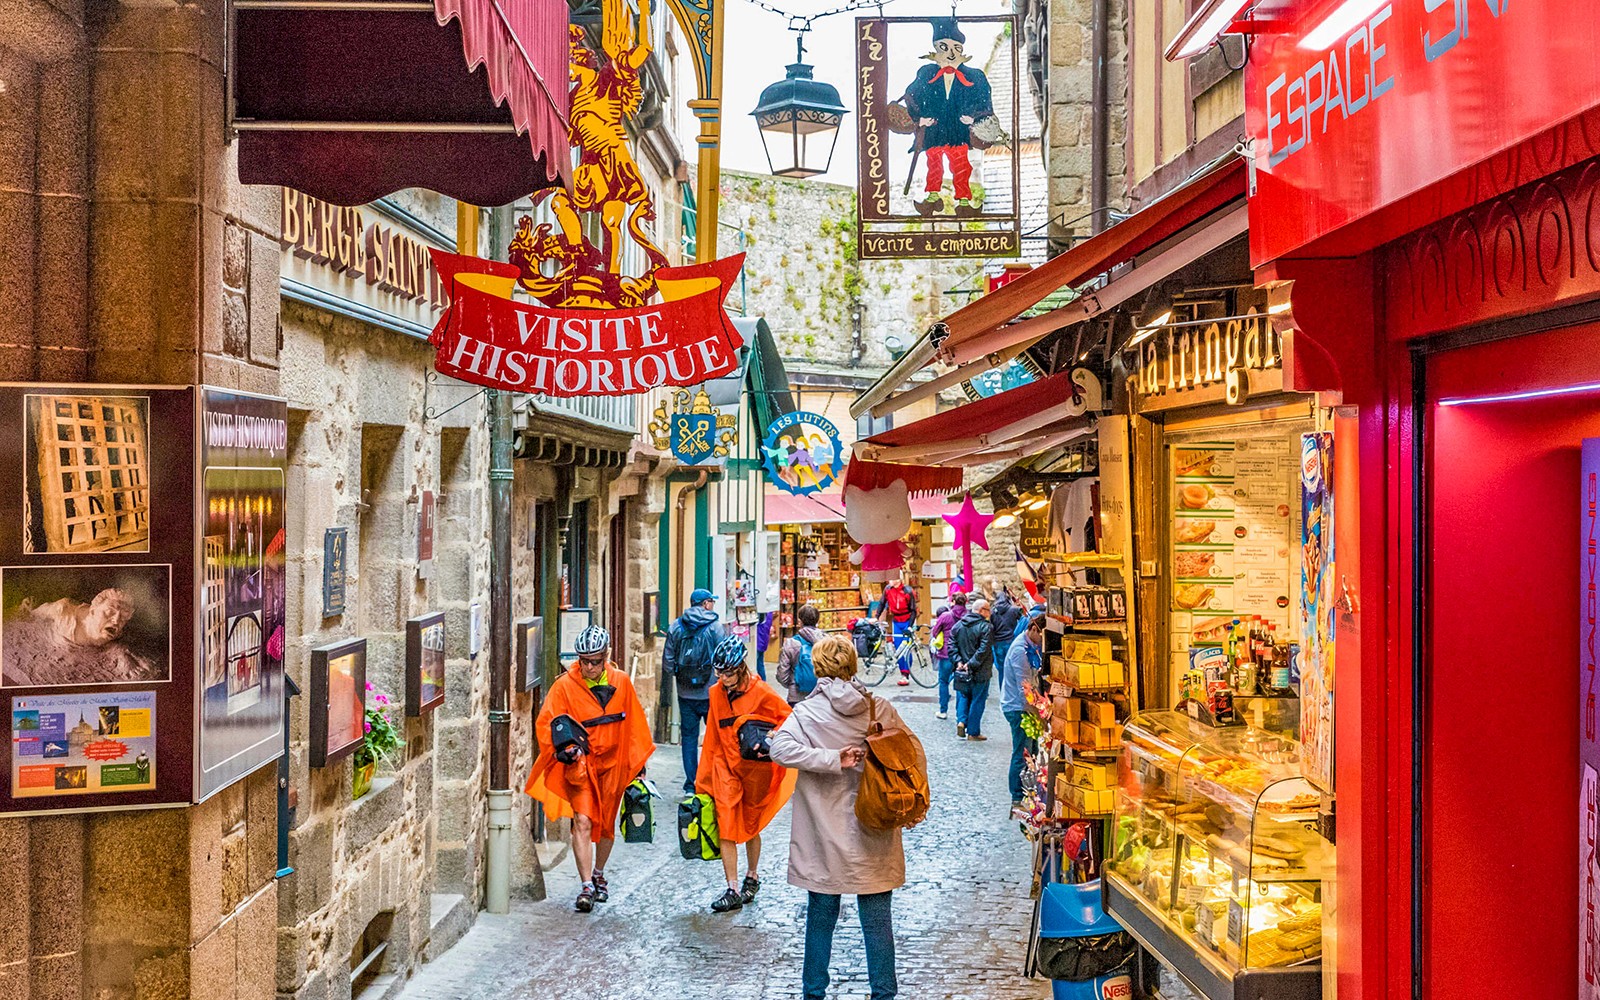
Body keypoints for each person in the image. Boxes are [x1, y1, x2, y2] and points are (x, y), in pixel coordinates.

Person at [769, 636, 921, 1000]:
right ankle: (883, 994)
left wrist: (829, 758)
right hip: (875, 829)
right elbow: (913, 753)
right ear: (854, 665)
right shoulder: (878, 710)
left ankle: (814, 993)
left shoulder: (806, 714)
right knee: (877, 922)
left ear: (818, 669)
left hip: (823, 838)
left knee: (820, 920)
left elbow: (779, 748)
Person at [524, 625, 654, 913]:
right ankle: (585, 886)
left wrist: (639, 766)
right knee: (582, 820)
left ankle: (599, 873)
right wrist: (562, 748)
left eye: (595, 661)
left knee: (606, 825)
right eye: (584, 661)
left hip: (614, 765)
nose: (590, 667)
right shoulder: (564, 686)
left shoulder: (621, 682)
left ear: (605, 657)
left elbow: (634, 726)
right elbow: (547, 723)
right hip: (581, 766)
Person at [699, 635, 797, 913]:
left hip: (755, 769)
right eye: (719, 672)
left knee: (751, 825)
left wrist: (772, 736)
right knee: (727, 823)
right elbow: (713, 736)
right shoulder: (716, 693)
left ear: (740, 668)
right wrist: (704, 778)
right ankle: (731, 888)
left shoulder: (762, 692)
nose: (723, 678)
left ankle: (751, 876)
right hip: (725, 766)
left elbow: (788, 717)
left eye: (728, 672)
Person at [899, 16, 993, 218]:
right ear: (935, 49)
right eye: (944, 47)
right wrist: (919, 118)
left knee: (961, 164)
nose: (950, 54)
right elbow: (911, 95)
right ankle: (933, 198)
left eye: (956, 48)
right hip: (934, 129)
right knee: (934, 163)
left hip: (957, 130)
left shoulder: (974, 76)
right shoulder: (926, 73)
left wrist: (974, 118)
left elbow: (984, 101)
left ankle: (964, 201)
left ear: (962, 51)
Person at [663, 588, 725, 792]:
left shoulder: (676, 626)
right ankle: (710, 781)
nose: (712, 605)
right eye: (711, 602)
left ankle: (691, 784)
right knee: (714, 738)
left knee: (688, 738)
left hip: (684, 693)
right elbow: (722, 659)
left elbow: (668, 660)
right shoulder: (715, 627)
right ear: (706, 603)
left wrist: (680, 677)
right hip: (710, 692)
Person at [1001, 613, 1046, 808]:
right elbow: (1025, 688)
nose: (1043, 641)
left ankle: (1031, 792)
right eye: (1042, 636)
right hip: (1019, 708)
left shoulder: (1031, 645)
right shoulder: (1021, 651)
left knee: (1032, 751)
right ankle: (1017, 797)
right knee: (1022, 752)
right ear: (1034, 630)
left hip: (1026, 707)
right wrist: (1039, 712)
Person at [950, 599, 995, 741]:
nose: (990, 613)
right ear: (981, 610)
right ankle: (973, 732)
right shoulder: (986, 627)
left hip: (962, 670)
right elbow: (984, 649)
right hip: (980, 671)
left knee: (963, 696)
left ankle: (961, 721)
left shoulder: (958, 626)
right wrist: (971, 664)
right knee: (977, 700)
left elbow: (951, 645)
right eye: (988, 610)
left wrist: (959, 662)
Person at [777, 604, 829, 705]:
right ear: (817, 621)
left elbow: (782, 675)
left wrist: (793, 683)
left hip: (797, 697)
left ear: (800, 621)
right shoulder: (828, 642)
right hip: (822, 694)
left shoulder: (791, 643)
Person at [929, 593, 967, 719]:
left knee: (943, 681)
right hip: (962, 655)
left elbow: (935, 632)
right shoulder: (968, 616)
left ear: (953, 602)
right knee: (960, 684)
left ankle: (943, 710)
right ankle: (960, 714)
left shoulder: (945, 616)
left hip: (946, 653)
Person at [878, 572, 919, 686]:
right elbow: (882, 603)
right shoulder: (888, 589)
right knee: (898, 647)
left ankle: (906, 674)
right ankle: (902, 673)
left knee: (906, 648)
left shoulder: (908, 591)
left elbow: (913, 610)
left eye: (892, 578)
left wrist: (910, 626)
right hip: (896, 621)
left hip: (907, 620)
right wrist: (877, 617)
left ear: (898, 579)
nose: (889, 581)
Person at [988, 586, 1024, 655]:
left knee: (1000, 664)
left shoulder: (991, 612)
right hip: (1011, 640)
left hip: (998, 643)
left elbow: (990, 627)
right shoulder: (1014, 610)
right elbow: (1023, 621)